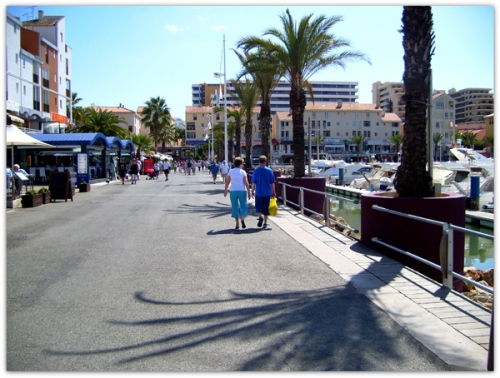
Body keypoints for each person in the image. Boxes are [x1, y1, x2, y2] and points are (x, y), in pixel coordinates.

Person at [224, 157, 251, 230]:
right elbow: (246, 183)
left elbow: (228, 182)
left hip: (233, 190)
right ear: (240, 164)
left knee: (234, 206)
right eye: (242, 164)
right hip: (242, 190)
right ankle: (242, 219)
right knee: (243, 205)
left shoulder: (231, 171)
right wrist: (249, 192)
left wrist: (225, 190)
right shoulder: (243, 172)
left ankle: (237, 224)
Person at [251, 155, 276, 229]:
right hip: (267, 192)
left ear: (259, 162)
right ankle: (265, 224)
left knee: (258, 207)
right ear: (266, 162)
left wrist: (252, 190)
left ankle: (260, 216)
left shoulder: (256, 170)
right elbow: (272, 183)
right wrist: (273, 192)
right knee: (266, 208)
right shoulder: (269, 170)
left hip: (258, 192)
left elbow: (253, 182)